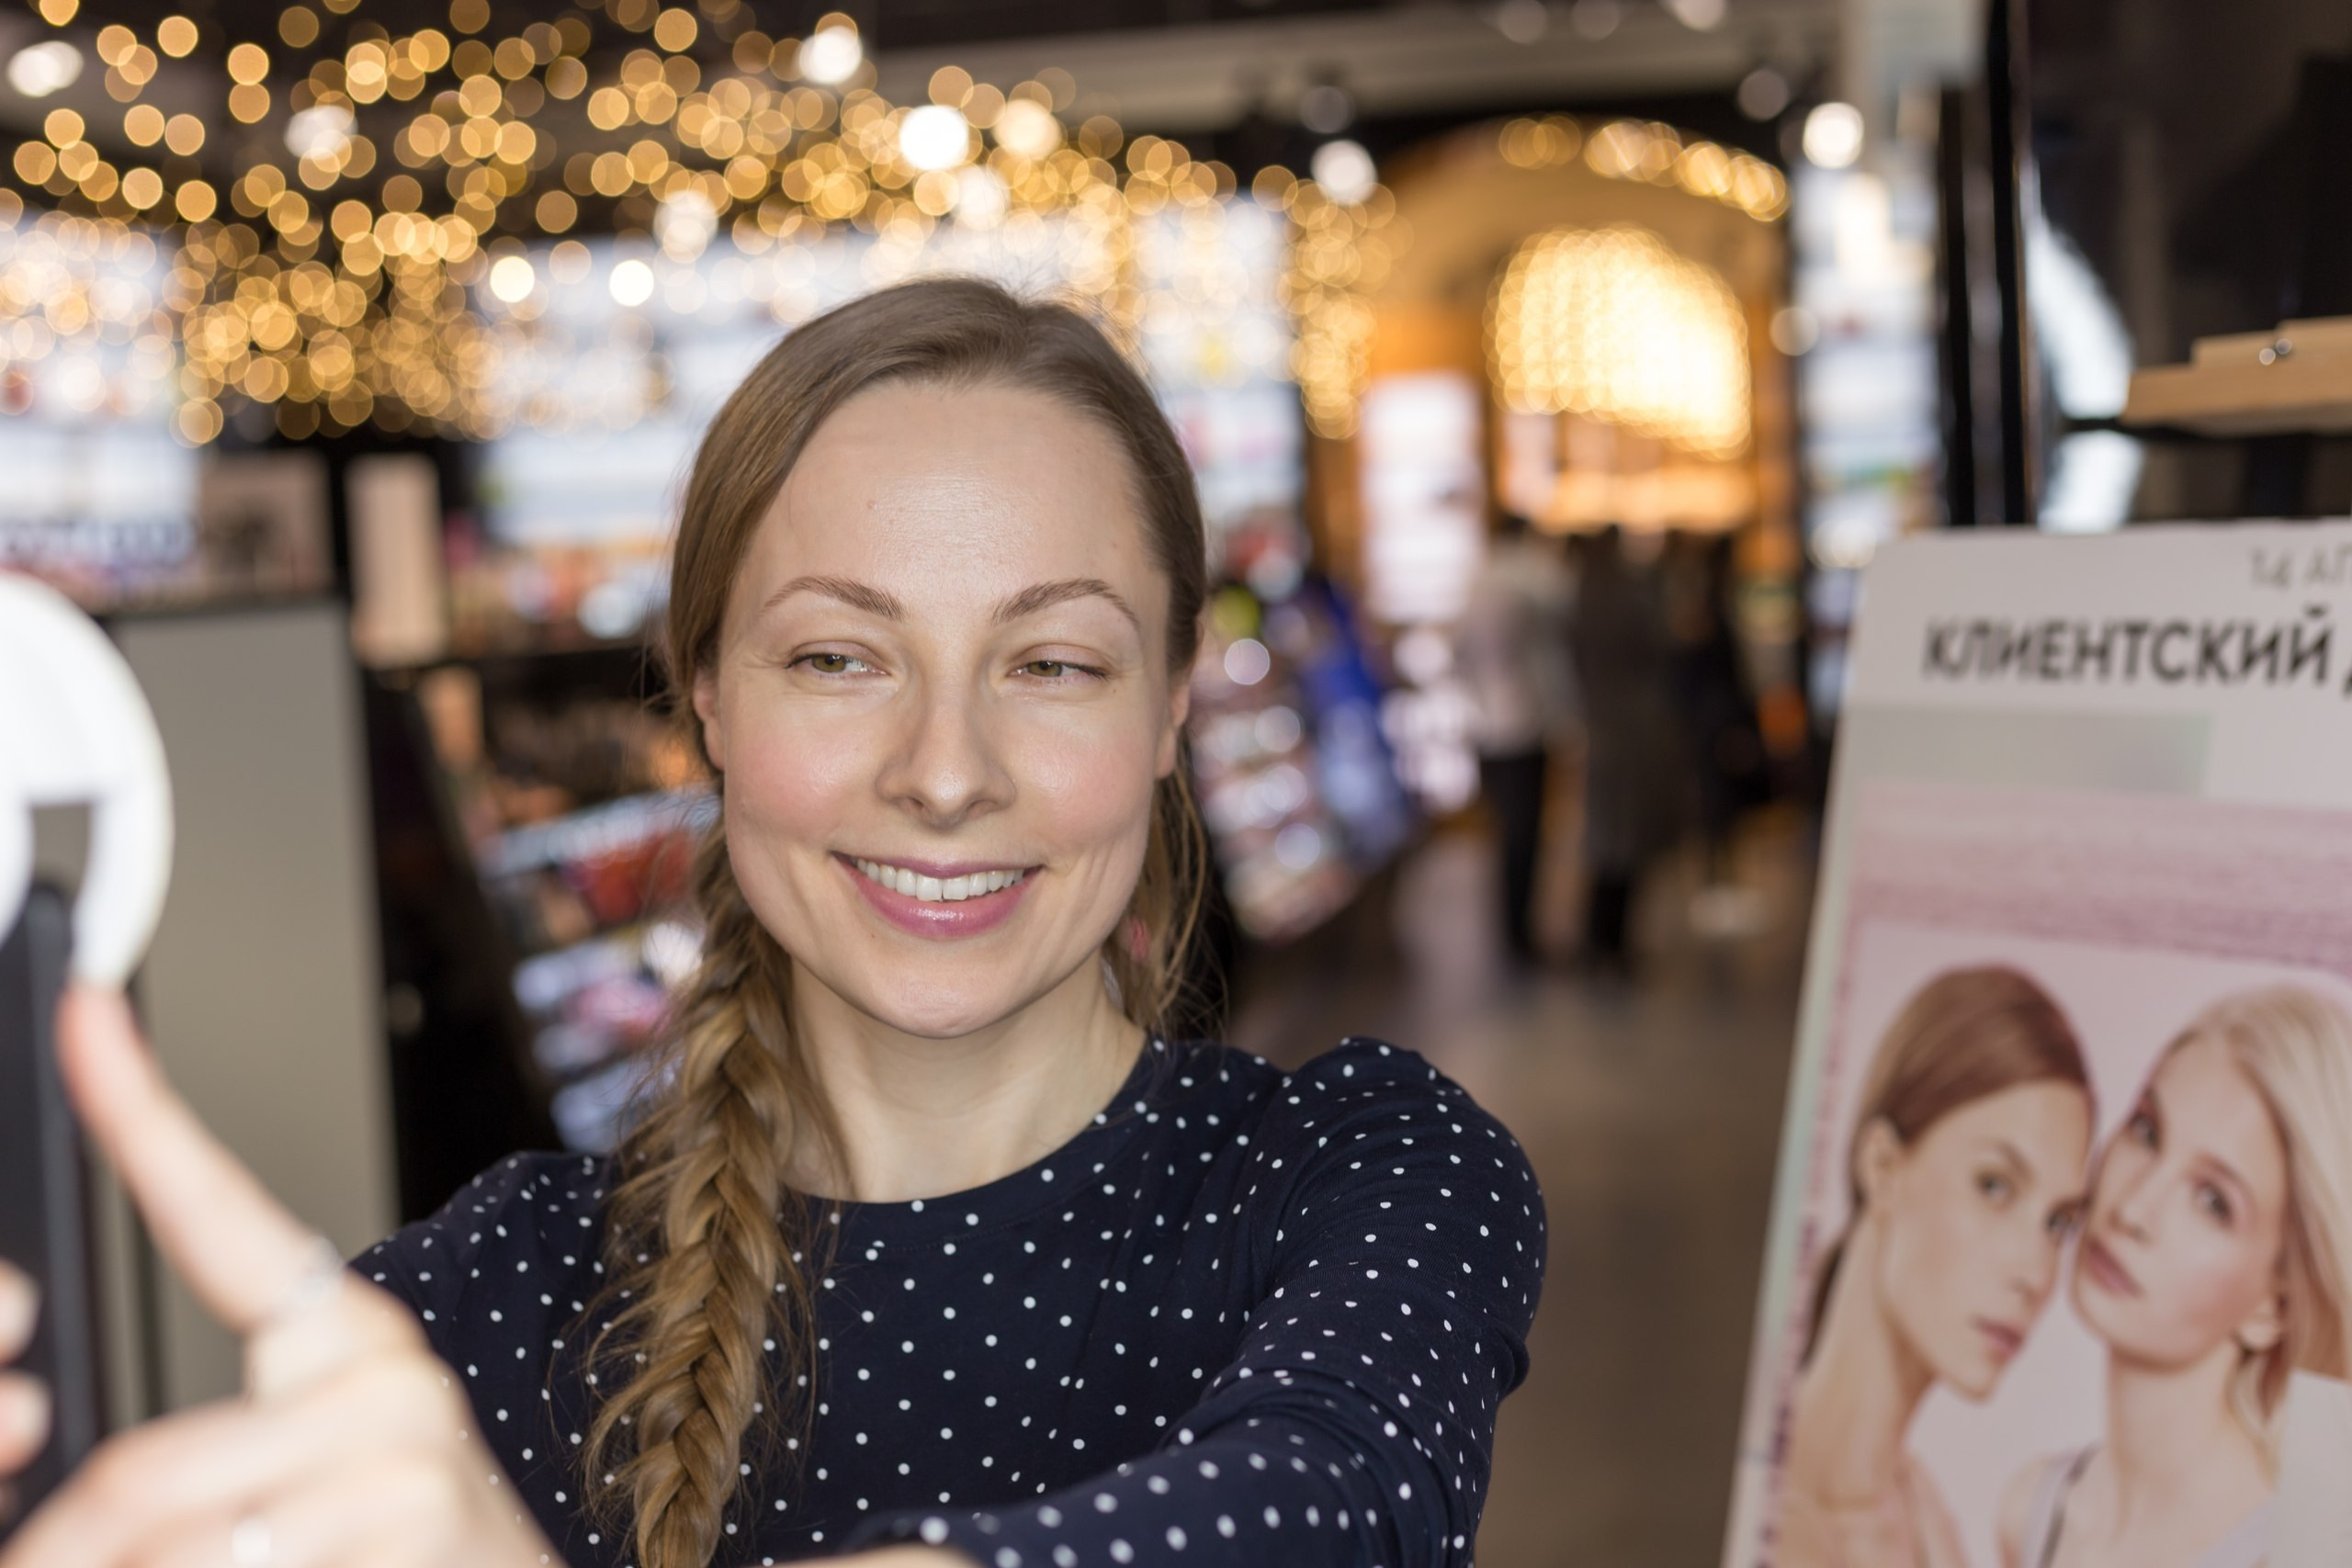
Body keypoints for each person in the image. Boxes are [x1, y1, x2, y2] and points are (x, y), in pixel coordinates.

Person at [0, 277, 1547, 1568]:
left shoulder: (1367, 1176)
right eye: (837, 658)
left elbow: (1327, 1503)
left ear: (1168, 715)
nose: (946, 773)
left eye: (1055, 664)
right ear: (711, 702)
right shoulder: (484, 1304)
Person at [1999, 987, 2352, 1568]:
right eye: (2146, 1131)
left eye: (2213, 1201)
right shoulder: (2033, 1509)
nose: (2134, 1208)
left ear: (2274, 1306)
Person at [1780, 966, 2096, 1568]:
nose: (2034, 1272)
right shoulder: (1760, 1495)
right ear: (1883, 1166)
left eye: (2058, 1222)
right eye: (1995, 1185)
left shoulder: (1921, 1523)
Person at [1456, 510, 1575, 966]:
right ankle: (1520, 934)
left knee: (1506, 834)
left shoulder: (1478, 581)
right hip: (1526, 725)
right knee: (1526, 834)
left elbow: (1457, 652)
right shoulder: (1537, 577)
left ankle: (1511, 931)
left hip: (1488, 727)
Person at [1563, 526, 1679, 973]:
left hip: (1604, 729)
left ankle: (1602, 938)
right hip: (1632, 732)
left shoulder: (1580, 600)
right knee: (1624, 845)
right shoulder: (1628, 597)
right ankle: (1610, 941)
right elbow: (1658, 647)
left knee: (1609, 843)